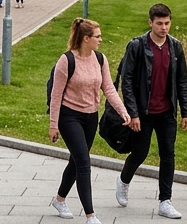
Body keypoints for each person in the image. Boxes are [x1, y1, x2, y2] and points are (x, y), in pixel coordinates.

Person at [49, 18, 130, 224]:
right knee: (84, 163)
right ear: (86, 38)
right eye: (97, 36)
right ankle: (90, 215)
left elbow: (109, 88)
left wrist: (123, 111)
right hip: (69, 117)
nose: (101, 39)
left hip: (90, 117)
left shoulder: (100, 59)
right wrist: (53, 125)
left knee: (76, 162)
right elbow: (56, 96)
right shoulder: (66, 61)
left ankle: (59, 200)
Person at [115, 4, 187, 219]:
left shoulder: (175, 47)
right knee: (140, 153)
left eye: (167, 23)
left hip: (167, 112)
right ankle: (123, 180)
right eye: (159, 23)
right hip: (144, 112)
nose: (164, 27)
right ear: (150, 23)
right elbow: (127, 81)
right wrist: (133, 113)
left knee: (168, 154)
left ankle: (165, 201)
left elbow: (182, 80)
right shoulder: (137, 45)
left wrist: (185, 111)